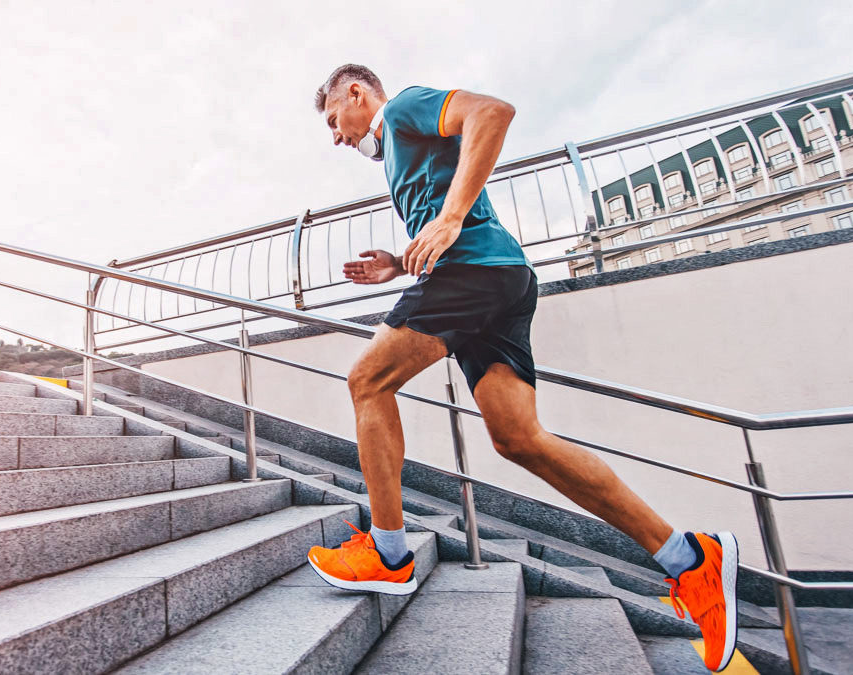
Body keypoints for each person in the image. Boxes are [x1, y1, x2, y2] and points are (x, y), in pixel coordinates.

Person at [303, 64, 740, 672]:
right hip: (500, 281)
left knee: (367, 381)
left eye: (333, 121)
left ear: (356, 94)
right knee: (519, 439)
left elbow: (493, 112)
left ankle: (389, 553)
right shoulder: (403, 151)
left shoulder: (402, 109)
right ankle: (690, 558)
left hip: (474, 275)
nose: (336, 138)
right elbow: (448, 212)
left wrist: (450, 220)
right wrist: (400, 265)